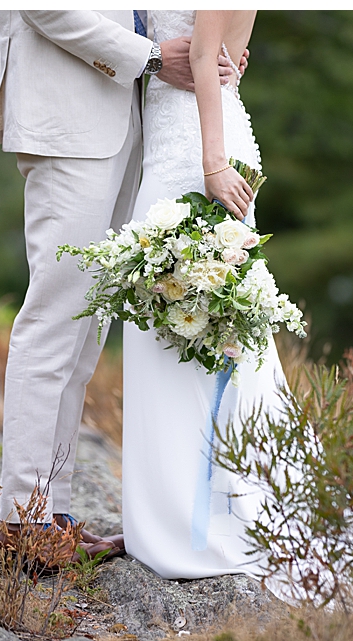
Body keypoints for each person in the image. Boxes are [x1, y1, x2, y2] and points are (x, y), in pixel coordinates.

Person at [0, 10, 244, 566]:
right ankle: (19, 520)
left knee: (85, 334)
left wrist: (208, 50)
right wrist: (152, 57)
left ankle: (50, 512)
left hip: (129, 123)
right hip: (69, 119)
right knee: (54, 321)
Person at [121, 10, 294, 581]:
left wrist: (213, 164)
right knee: (181, 327)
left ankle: (210, 520)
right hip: (181, 136)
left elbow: (202, 56)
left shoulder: (205, 155)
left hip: (197, 149)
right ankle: (188, 513)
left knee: (198, 326)